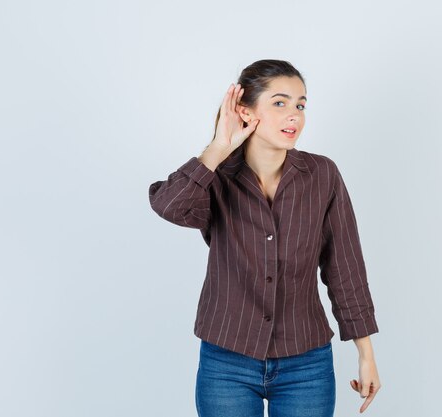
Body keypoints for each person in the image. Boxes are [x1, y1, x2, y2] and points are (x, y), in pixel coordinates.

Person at [148, 59, 381, 416]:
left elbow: (344, 269)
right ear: (245, 111)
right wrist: (217, 147)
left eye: (300, 105)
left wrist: (366, 355)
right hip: (227, 360)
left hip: (306, 363)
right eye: (280, 103)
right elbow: (169, 206)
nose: (295, 115)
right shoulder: (216, 177)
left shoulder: (322, 175)